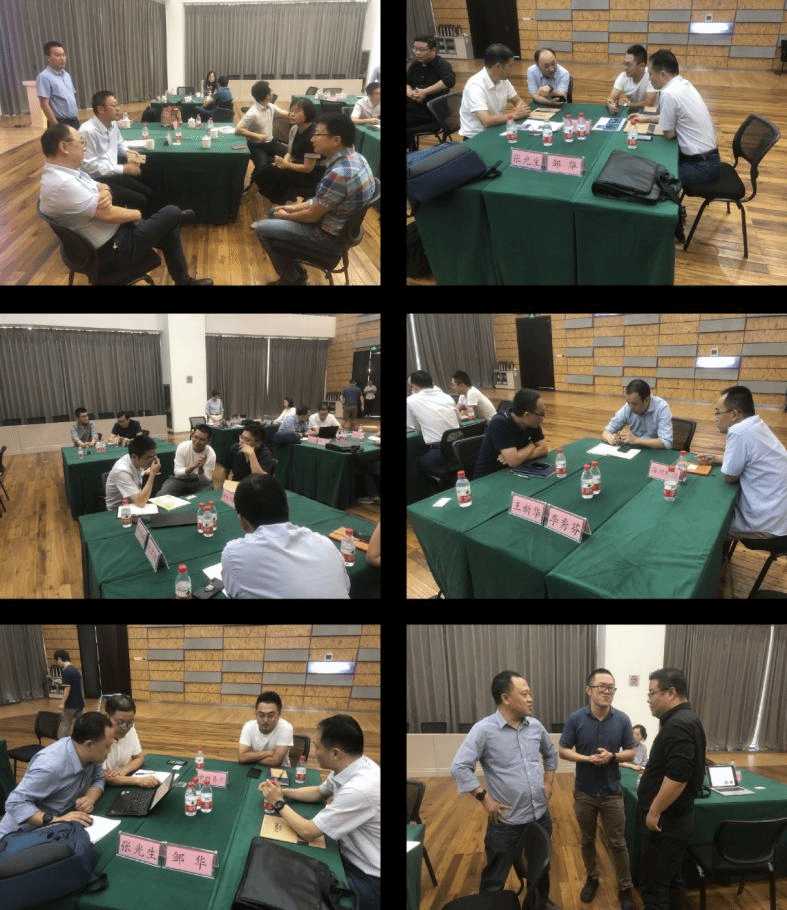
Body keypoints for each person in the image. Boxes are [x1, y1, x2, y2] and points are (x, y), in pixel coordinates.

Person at [39, 123, 212, 285]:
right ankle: (176, 220)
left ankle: (184, 279)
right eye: (81, 142)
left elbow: (101, 185)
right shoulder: (63, 184)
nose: (84, 147)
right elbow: (108, 214)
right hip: (112, 251)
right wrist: (137, 215)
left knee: (169, 227)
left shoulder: (64, 173)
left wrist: (105, 191)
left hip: (108, 238)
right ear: (64, 147)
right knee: (171, 211)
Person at [451, 671, 560, 908]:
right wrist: (483, 797)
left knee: (541, 869)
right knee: (494, 878)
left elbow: (551, 753)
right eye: (524, 694)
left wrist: (549, 782)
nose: (530, 698)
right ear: (506, 698)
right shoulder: (484, 730)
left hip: (540, 816)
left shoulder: (535, 726)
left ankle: (540, 903)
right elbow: (459, 766)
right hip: (506, 821)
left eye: (530, 693)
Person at [259, 714, 380, 910]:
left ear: (335, 753)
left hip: (367, 876)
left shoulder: (360, 789)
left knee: (291, 885)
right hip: (351, 855)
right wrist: (281, 792)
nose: (314, 752)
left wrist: (278, 803)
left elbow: (308, 832)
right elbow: (318, 792)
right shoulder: (351, 765)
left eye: (316, 746)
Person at [254, 114, 375, 285]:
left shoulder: (339, 173)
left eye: (317, 134)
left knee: (262, 228)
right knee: (275, 212)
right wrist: (292, 209)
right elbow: (322, 201)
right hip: (342, 229)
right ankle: (294, 273)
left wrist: (286, 215)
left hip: (328, 239)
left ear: (336, 140)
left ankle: (293, 279)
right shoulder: (357, 158)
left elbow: (312, 216)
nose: (312, 139)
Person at [558, 669, 637, 910]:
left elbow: (631, 752)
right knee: (587, 839)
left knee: (618, 843)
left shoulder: (622, 719)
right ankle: (592, 878)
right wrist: (586, 759)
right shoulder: (576, 719)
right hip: (585, 792)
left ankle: (625, 887)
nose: (607, 691)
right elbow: (563, 750)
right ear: (588, 690)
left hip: (612, 792)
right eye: (601, 686)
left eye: (611, 687)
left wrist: (613, 756)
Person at [638, 668, 707, 910]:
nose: (648, 699)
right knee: (672, 882)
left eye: (651, 693)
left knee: (654, 890)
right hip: (675, 820)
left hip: (666, 823)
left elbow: (678, 778)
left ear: (671, 693)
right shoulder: (686, 719)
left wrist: (654, 810)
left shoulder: (678, 725)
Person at [221, 474, 350, 598]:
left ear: (242, 520)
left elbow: (234, 593)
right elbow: (346, 587)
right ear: (288, 507)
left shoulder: (233, 554)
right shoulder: (325, 544)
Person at [0, 711, 113, 840]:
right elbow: (15, 803)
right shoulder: (51, 766)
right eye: (107, 746)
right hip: (18, 837)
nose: (109, 751)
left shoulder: (92, 756)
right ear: (88, 745)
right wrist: (56, 820)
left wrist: (89, 798)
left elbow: (98, 779)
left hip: (54, 829)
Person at [696, 385, 787, 538]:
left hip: (766, 521)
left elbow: (730, 477)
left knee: (706, 523)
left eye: (717, 413)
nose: (715, 418)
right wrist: (718, 458)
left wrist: (727, 463)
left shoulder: (739, 431)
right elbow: (753, 459)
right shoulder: (756, 424)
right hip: (779, 512)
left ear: (734, 414)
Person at [633, 49, 720, 185]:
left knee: (649, 178)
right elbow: (678, 119)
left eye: (650, 74)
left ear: (662, 74)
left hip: (701, 167)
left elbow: (669, 134)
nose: (649, 78)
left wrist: (667, 125)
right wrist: (647, 118)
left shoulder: (669, 93)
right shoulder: (683, 84)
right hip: (710, 159)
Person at [80, 91, 153, 214]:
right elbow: (89, 167)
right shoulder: (87, 131)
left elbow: (119, 144)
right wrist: (123, 169)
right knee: (140, 199)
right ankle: (134, 222)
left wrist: (127, 153)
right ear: (100, 109)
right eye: (114, 105)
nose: (118, 109)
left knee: (148, 191)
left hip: (112, 173)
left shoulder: (113, 124)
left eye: (118, 105)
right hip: (97, 181)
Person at [253, 98, 323, 205]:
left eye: (297, 111)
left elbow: (308, 168)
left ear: (308, 114)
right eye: (291, 111)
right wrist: (283, 163)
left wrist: (286, 165)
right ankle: (255, 196)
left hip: (312, 174)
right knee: (268, 168)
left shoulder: (313, 137)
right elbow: (289, 152)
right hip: (296, 164)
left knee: (274, 173)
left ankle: (282, 204)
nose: (292, 114)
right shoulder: (294, 129)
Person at [473, 387, 549, 480]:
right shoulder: (500, 423)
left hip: (512, 472)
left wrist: (518, 456)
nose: (542, 418)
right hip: (489, 477)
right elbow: (514, 462)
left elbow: (544, 449)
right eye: (541, 414)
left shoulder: (532, 423)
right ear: (526, 415)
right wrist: (531, 445)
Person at [459, 43, 528, 140]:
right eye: (510, 66)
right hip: (476, 137)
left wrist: (521, 107)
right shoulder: (475, 85)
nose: (511, 70)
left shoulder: (503, 80)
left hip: (497, 128)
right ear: (498, 66)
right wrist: (515, 115)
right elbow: (486, 121)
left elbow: (518, 100)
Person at [406, 370, 460, 475]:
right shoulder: (447, 397)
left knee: (412, 461)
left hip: (438, 452)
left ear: (413, 386)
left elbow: (411, 426)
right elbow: (459, 419)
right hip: (458, 448)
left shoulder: (411, 400)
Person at [406, 36, 456, 147]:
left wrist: (425, 92)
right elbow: (407, 83)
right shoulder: (415, 65)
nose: (417, 53)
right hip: (414, 107)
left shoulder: (442, 64)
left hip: (431, 111)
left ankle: (411, 152)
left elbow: (449, 81)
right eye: (415, 49)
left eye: (422, 50)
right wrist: (410, 93)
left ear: (433, 50)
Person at [103, 694, 159, 788]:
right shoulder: (97, 736)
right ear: (107, 717)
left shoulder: (130, 729)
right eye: (120, 722)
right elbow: (104, 777)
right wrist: (139, 780)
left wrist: (124, 770)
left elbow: (139, 758)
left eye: (130, 722)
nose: (125, 727)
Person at [235, 80, 289, 175]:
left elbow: (284, 114)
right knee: (262, 169)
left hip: (271, 143)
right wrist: (256, 135)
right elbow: (238, 129)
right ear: (267, 96)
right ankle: (257, 179)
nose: (272, 93)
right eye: (270, 91)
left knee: (290, 154)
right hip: (257, 147)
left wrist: (292, 114)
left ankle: (278, 173)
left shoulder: (271, 106)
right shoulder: (252, 113)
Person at [601, 379, 673, 449]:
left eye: (635, 404)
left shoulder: (662, 408)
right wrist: (611, 438)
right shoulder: (627, 408)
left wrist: (637, 440)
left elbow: (666, 443)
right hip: (634, 451)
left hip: (655, 452)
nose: (631, 407)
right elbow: (606, 432)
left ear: (647, 400)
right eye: (628, 402)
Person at [104, 434, 161, 510]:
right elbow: (141, 502)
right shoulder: (122, 471)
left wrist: (145, 472)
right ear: (134, 456)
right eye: (148, 457)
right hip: (118, 509)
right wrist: (152, 474)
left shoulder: (136, 462)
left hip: (134, 504)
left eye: (153, 456)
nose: (152, 461)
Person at [238, 691, 294, 767]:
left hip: (279, 770)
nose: (265, 720)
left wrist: (250, 757)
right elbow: (242, 757)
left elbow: (275, 761)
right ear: (256, 713)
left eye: (271, 715)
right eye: (261, 715)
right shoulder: (248, 726)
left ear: (279, 714)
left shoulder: (286, 728)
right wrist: (269, 753)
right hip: (253, 768)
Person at [160, 424, 216, 496]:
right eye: (195, 437)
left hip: (199, 482)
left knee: (207, 496)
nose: (197, 441)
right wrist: (191, 467)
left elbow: (206, 482)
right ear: (192, 435)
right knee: (162, 495)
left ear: (208, 442)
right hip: (180, 480)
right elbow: (177, 473)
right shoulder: (182, 447)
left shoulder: (211, 454)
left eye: (202, 439)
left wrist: (201, 470)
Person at [36, 41, 79, 128]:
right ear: (48, 58)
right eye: (57, 55)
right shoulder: (44, 77)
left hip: (73, 120)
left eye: (63, 55)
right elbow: (44, 104)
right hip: (59, 122)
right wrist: (55, 125)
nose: (62, 58)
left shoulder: (66, 75)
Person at [606, 45, 657, 114]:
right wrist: (610, 104)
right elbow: (611, 98)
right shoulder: (623, 76)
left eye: (628, 64)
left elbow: (648, 103)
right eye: (624, 63)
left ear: (641, 66)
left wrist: (627, 104)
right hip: (635, 111)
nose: (625, 68)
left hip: (654, 112)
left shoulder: (651, 76)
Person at [55, 649, 85, 739]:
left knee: (65, 723)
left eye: (57, 660)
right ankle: (82, 739)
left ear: (60, 659)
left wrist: (62, 703)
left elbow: (67, 689)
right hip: (79, 703)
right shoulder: (75, 670)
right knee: (81, 724)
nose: (57, 663)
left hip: (71, 704)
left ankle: (62, 742)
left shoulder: (66, 671)